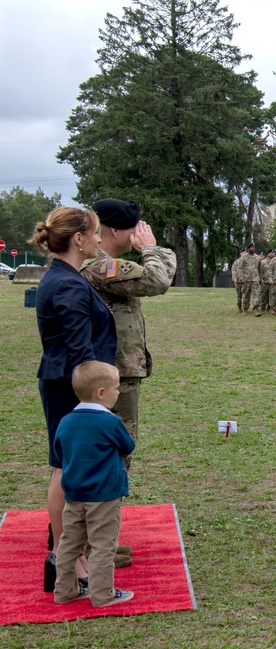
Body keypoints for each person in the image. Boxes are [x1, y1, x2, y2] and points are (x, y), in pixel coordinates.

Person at [31, 206, 117, 591]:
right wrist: (97, 395)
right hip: (71, 387)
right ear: (79, 239)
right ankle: (72, 562)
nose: (100, 240)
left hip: (63, 382)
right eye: (96, 233)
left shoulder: (64, 277)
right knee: (66, 469)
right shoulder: (67, 284)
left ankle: (67, 559)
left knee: (63, 466)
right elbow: (80, 351)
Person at [82, 198, 177, 473]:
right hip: (112, 372)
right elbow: (158, 281)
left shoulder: (104, 263)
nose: (137, 233)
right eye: (133, 229)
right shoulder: (100, 266)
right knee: (117, 447)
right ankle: (104, 513)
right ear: (114, 231)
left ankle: (102, 511)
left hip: (113, 369)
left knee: (112, 447)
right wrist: (149, 247)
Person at [52, 361, 135, 607]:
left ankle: (65, 590)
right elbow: (128, 446)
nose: (118, 392)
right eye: (116, 388)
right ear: (101, 393)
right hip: (105, 494)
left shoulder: (66, 421)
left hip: (74, 494)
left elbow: (59, 451)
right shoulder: (110, 423)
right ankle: (102, 594)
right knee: (103, 544)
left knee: (69, 543)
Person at [232, 248, 248, 314]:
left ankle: (245, 308)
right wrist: (234, 279)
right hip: (238, 281)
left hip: (246, 281)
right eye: (243, 252)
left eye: (246, 252)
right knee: (239, 295)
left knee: (246, 295)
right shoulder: (236, 262)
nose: (244, 253)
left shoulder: (248, 262)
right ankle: (239, 307)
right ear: (240, 253)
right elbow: (233, 271)